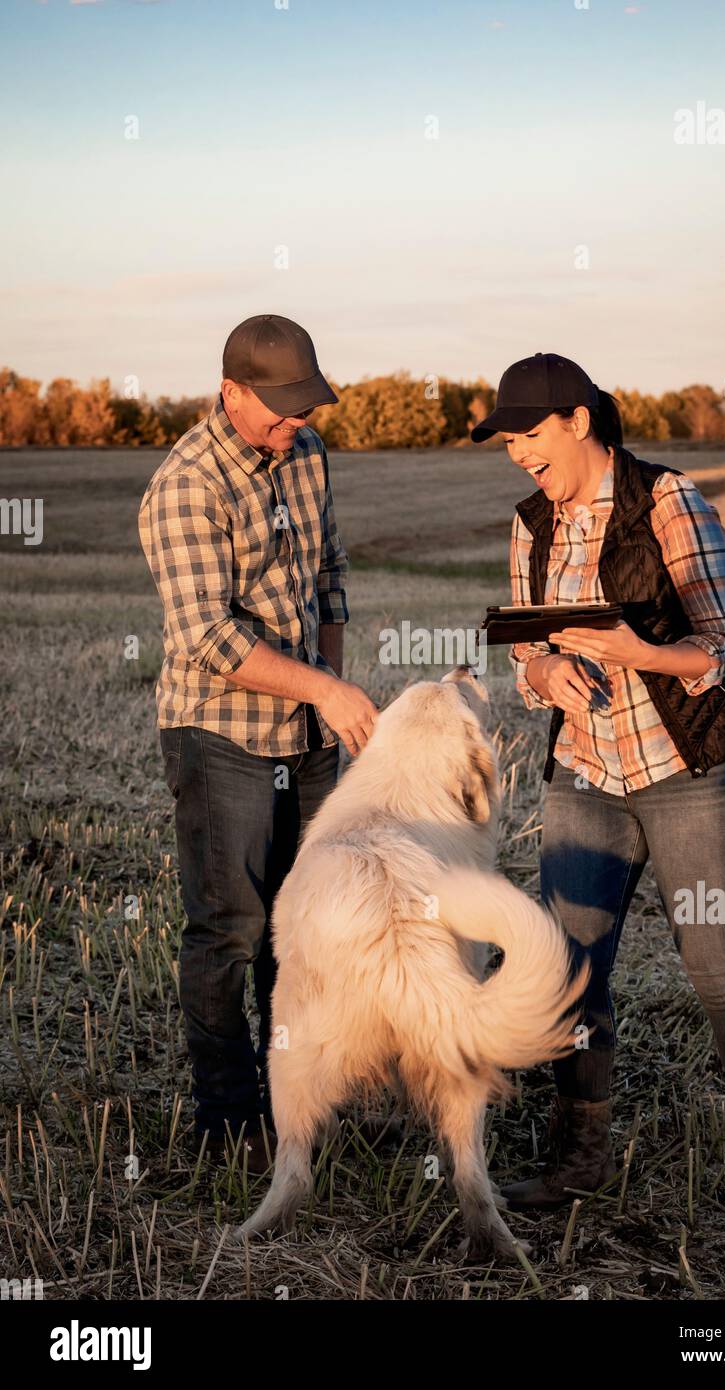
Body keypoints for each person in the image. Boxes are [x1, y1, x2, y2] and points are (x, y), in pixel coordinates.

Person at [470, 353, 725, 1233]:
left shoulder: (668, 501)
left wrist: (639, 656)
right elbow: (524, 651)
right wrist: (544, 674)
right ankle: (575, 1161)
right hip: (585, 774)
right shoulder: (529, 523)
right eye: (506, 440)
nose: (516, 453)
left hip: (691, 774)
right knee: (571, 972)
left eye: (527, 434)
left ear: (579, 421)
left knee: (718, 968)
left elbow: (724, 643)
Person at [138, 314, 378, 1171]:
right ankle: (228, 1122)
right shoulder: (184, 486)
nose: (297, 422)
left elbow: (329, 576)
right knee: (230, 930)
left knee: (303, 928)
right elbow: (209, 635)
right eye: (279, 407)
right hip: (221, 735)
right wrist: (324, 687)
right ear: (230, 389)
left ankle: (295, 1105)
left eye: (305, 405)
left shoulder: (307, 455)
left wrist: (332, 700)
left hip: (308, 731)